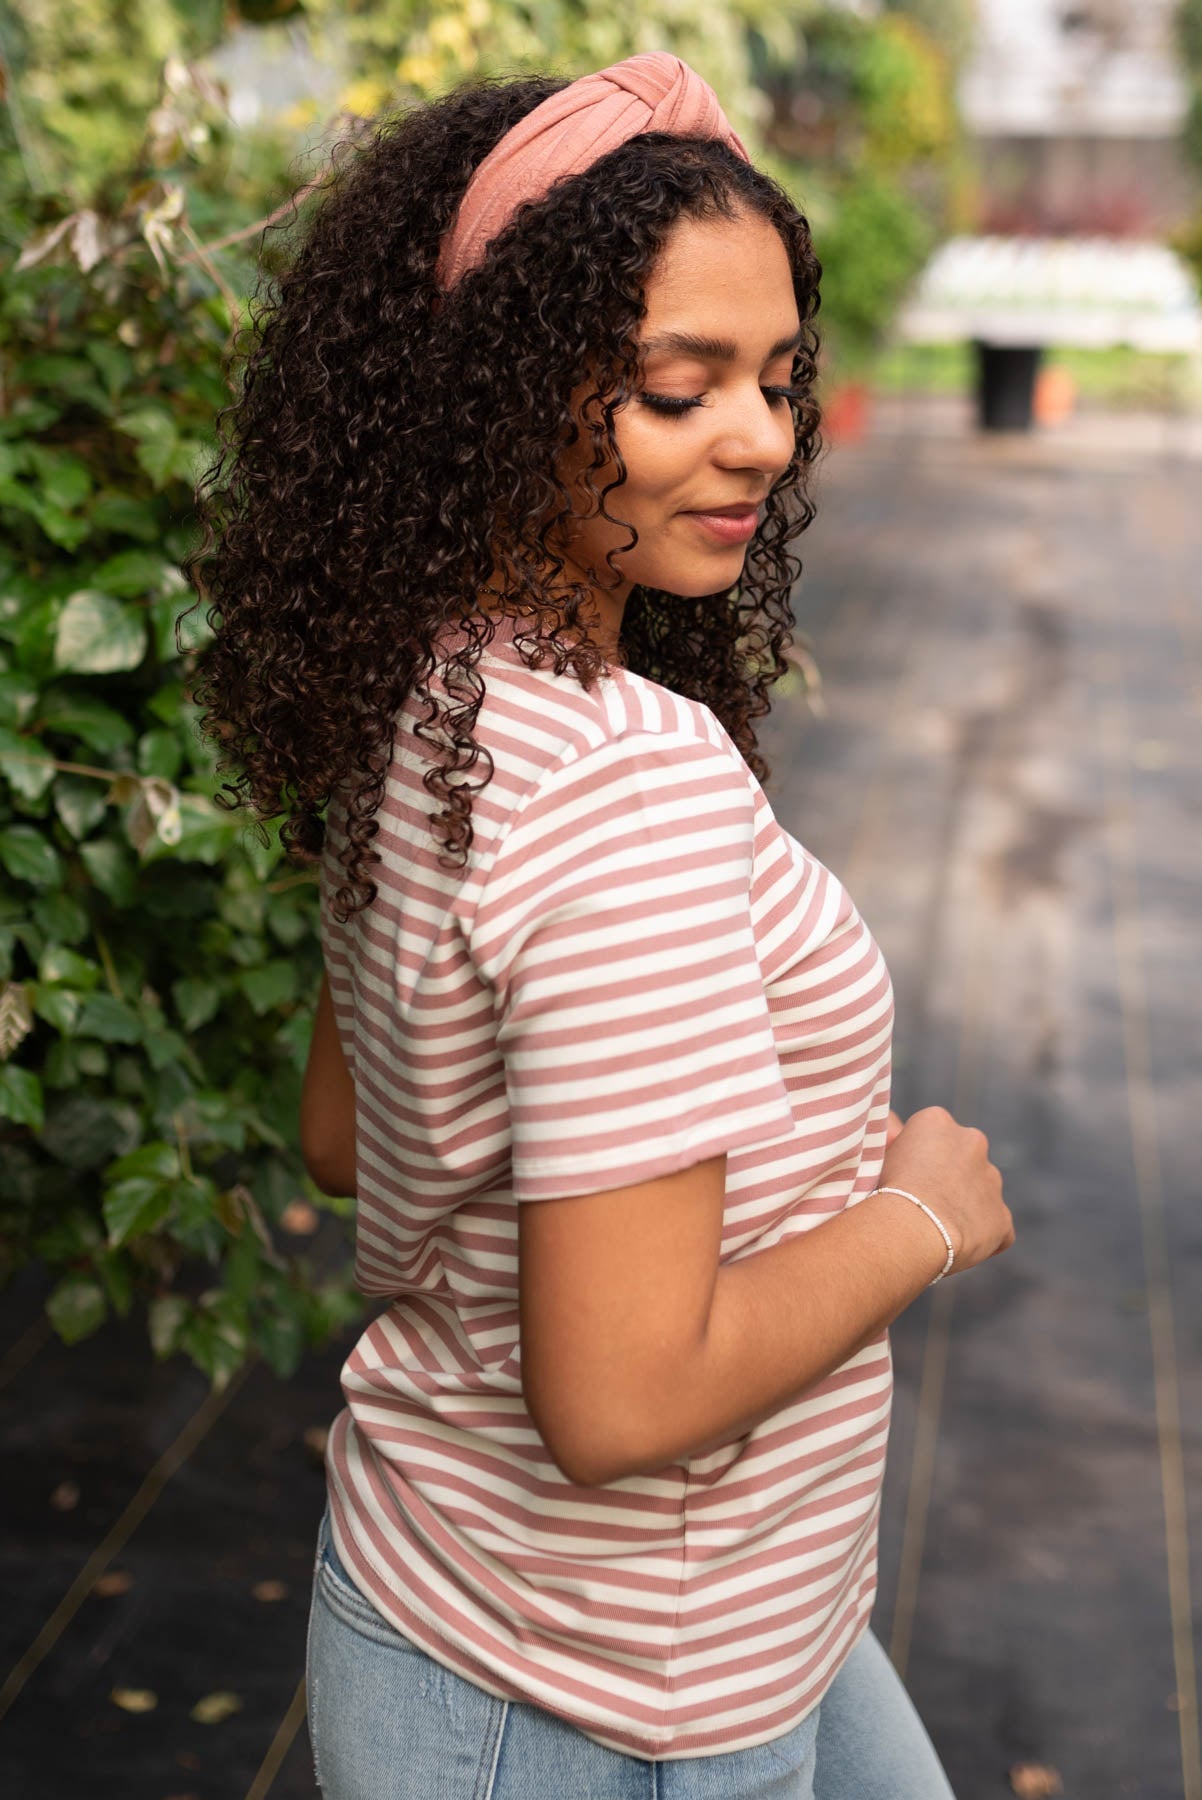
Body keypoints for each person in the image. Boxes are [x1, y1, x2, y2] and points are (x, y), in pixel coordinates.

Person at [185, 50, 1015, 1799]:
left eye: (778, 379)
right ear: (498, 393)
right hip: (596, 1688)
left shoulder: (431, 696)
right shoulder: (623, 785)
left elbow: (350, 1136)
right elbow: (620, 1404)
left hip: (566, 1603)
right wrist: (912, 1221)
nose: (763, 438)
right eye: (675, 386)